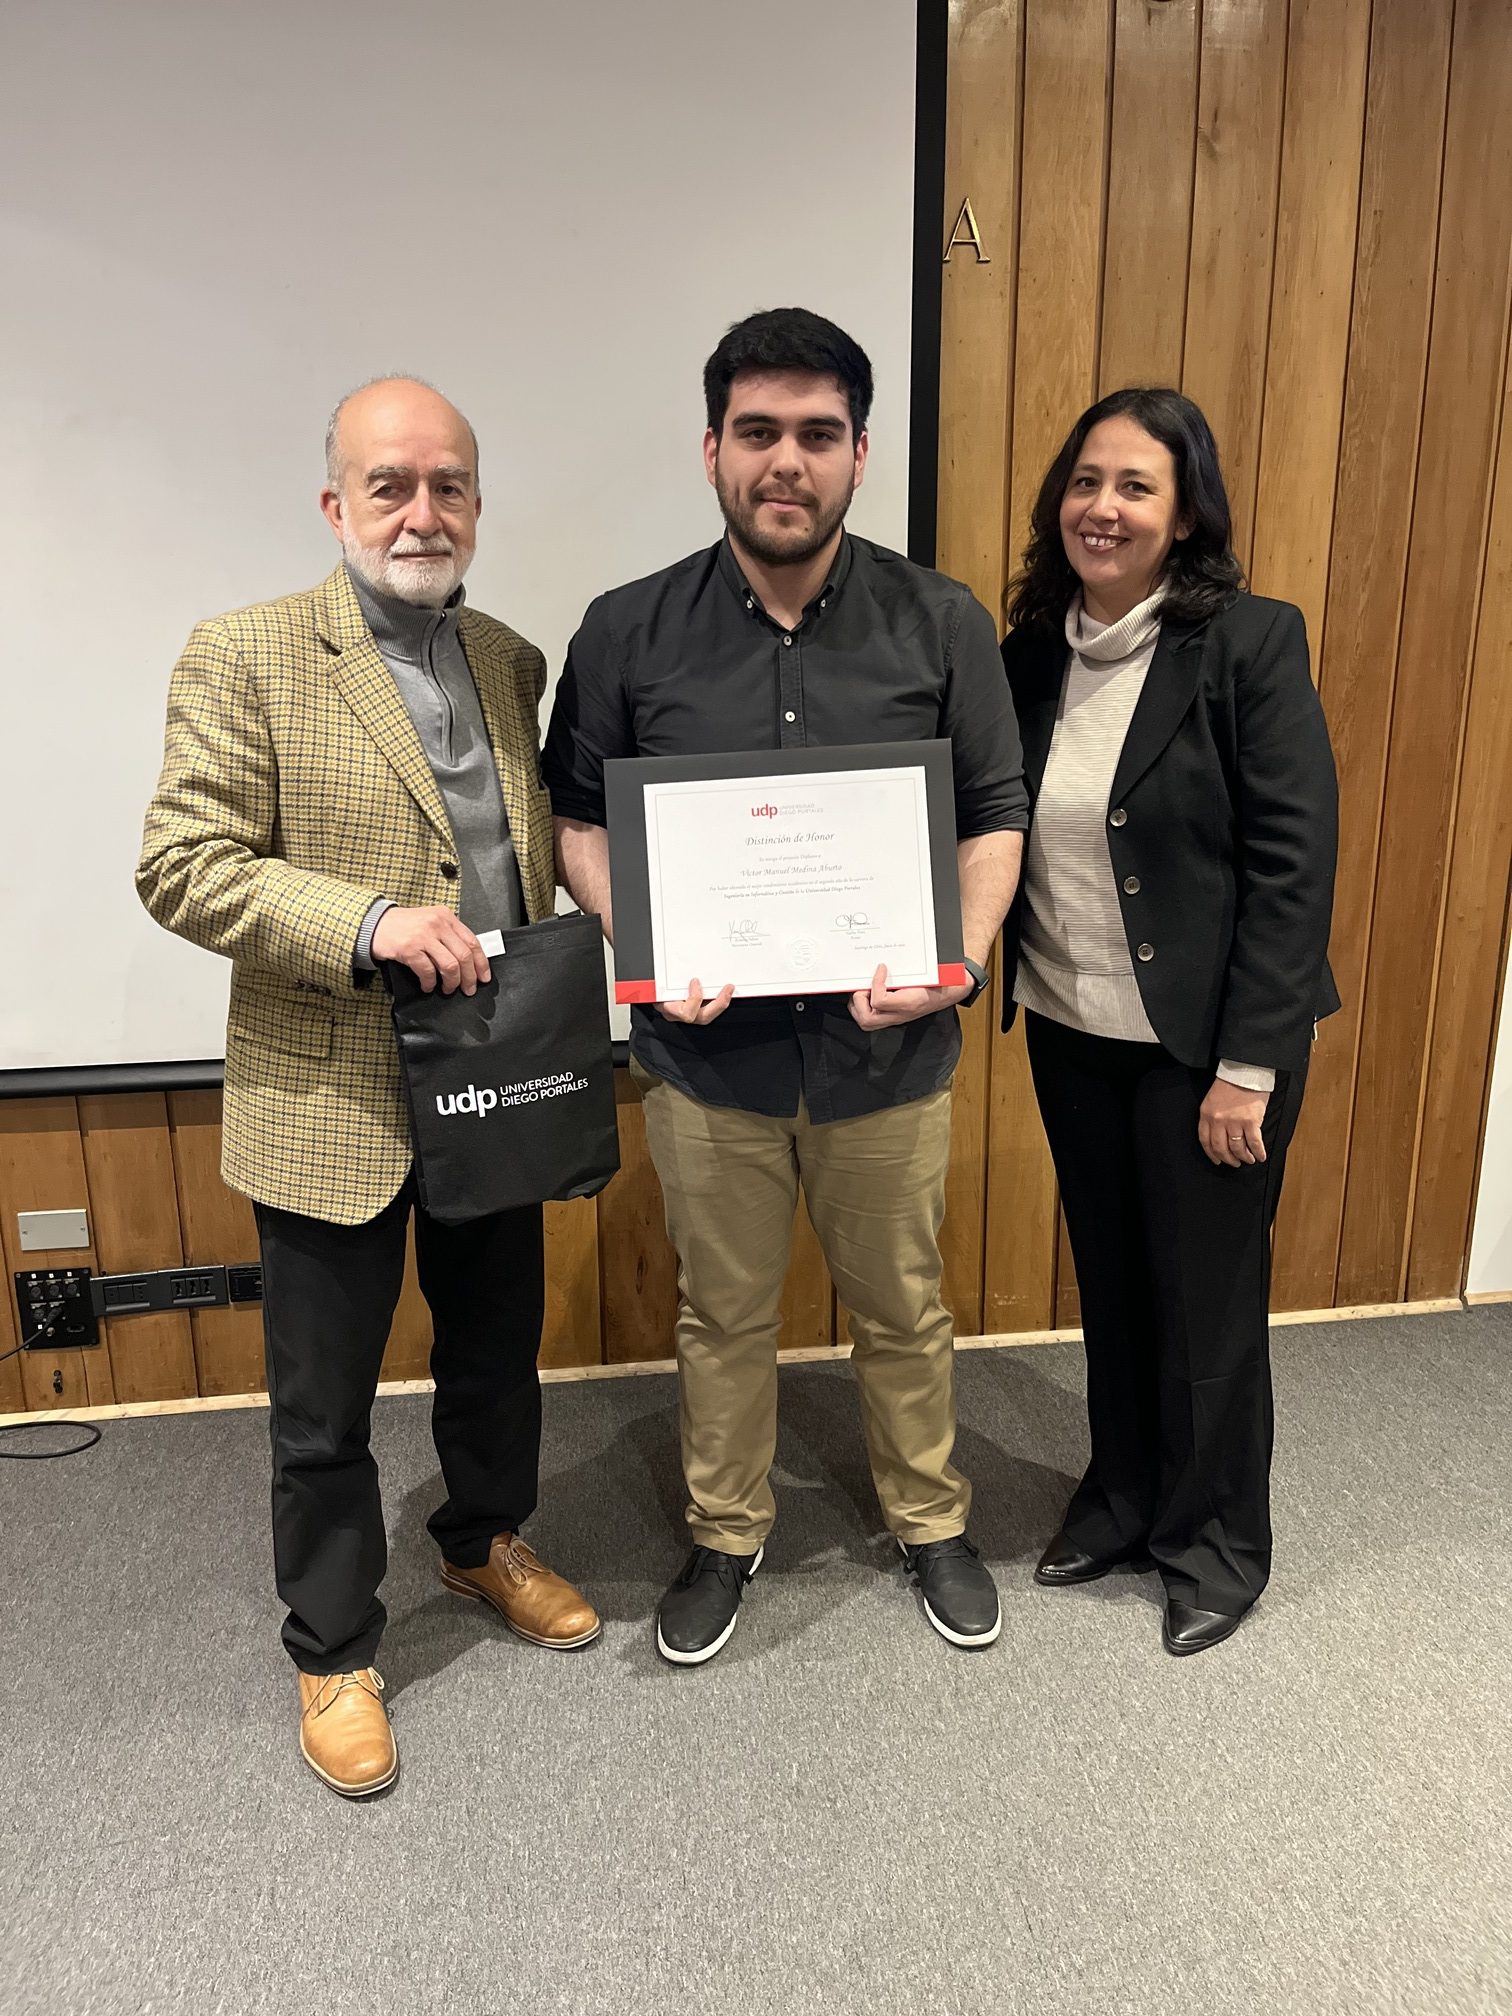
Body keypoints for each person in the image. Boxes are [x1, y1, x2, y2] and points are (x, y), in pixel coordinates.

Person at [544, 308, 1028, 1664]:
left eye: (819, 434)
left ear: (860, 453)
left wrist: (958, 960)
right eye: (758, 431)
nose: (786, 461)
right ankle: (726, 1533)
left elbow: (995, 812)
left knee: (904, 1308)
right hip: (707, 1064)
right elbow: (575, 818)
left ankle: (930, 1520)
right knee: (723, 1317)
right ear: (712, 449)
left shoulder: (943, 621)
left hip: (889, 1057)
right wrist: (641, 935)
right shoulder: (626, 630)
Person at [137, 377, 599, 1798]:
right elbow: (182, 864)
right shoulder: (247, 653)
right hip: (326, 1097)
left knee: (495, 1354)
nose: (421, 512)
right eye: (390, 484)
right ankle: (334, 1645)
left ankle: (481, 1542)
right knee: (322, 1406)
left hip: (496, 1082)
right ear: (336, 504)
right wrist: (370, 922)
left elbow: (529, 856)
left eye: (447, 484)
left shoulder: (512, 661)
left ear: (478, 505)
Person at [999, 386, 1339, 1656]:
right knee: (1114, 1284)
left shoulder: (1248, 642)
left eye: (1137, 486)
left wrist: (1251, 1066)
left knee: (1206, 1306)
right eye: (1086, 482)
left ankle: (1217, 1545)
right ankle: (1124, 1501)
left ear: (1186, 513)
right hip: (1070, 1027)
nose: (1104, 507)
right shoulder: (1029, 654)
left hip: (1208, 1049)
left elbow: (1293, 867)